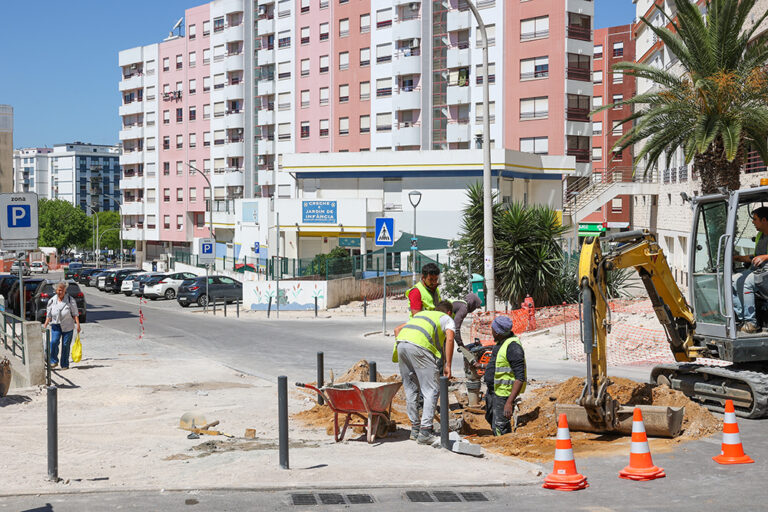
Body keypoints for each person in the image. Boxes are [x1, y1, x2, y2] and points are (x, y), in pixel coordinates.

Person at [393, 300, 455, 444]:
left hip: (401, 344)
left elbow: (397, 330)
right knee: (431, 390)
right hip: (420, 347)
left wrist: (408, 348)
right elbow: (450, 339)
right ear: (449, 312)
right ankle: (425, 432)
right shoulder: (447, 318)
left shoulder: (422, 315)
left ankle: (415, 429)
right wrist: (448, 365)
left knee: (411, 389)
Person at [482, 316, 526, 436]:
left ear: (497, 332)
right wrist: (480, 366)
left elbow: (520, 377)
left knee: (500, 425)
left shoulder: (513, 347)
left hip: (503, 394)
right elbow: (498, 365)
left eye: (492, 329)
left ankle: (503, 445)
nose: (491, 332)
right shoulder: (501, 343)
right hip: (494, 390)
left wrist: (509, 402)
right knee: (490, 417)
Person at [733, 206, 768, 333]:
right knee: (733, 280)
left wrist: (766, 256)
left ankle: (751, 323)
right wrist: (737, 258)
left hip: (766, 272)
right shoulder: (760, 235)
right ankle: (742, 318)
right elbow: (754, 257)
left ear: (764, 220)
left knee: (747, 282)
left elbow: (762, 257)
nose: (753, 222)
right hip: (760, 271)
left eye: (755, 219)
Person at [43, 281, 81, 369]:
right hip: (56, 325)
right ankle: (53, 361)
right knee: (54, 342)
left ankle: (64, 364)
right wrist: (45, 325)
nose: (60, 292)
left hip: (68, 326)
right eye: (59, 290)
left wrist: (78, 325)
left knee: (65, 345)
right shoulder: (52, 300)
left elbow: (75, 313)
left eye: (62, 290)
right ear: (56, 290)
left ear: (65, 291)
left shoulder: (70, 300)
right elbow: (49, 315)